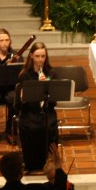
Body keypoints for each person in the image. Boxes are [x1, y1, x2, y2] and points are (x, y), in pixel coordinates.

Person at [16, 41, 58, 171]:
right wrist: (37, 88)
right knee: (32, 128)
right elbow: (22, 101)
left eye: (43, 56)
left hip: (47, 110)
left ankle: (50, 162)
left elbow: (54, 101)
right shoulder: (25, 75)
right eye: (37, 56)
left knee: (49, 127)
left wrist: (46, 88)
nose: (40, 60)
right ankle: (32, 164)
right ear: (31, 56)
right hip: (30, 111)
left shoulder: (51, 73)